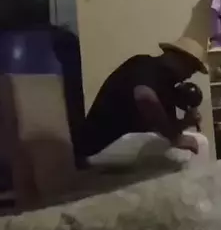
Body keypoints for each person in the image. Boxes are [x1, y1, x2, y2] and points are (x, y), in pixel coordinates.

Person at [73, 37, 210, 169]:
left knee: (199, 141)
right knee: (188, 149)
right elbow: (145, 98)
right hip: (99, 146)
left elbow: (164, 129)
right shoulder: (144, 64)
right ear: (178, 58)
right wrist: (176, 138)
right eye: (191, 68)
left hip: (122, 142)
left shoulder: (167, 85)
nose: (190, 75)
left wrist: (186, 122)